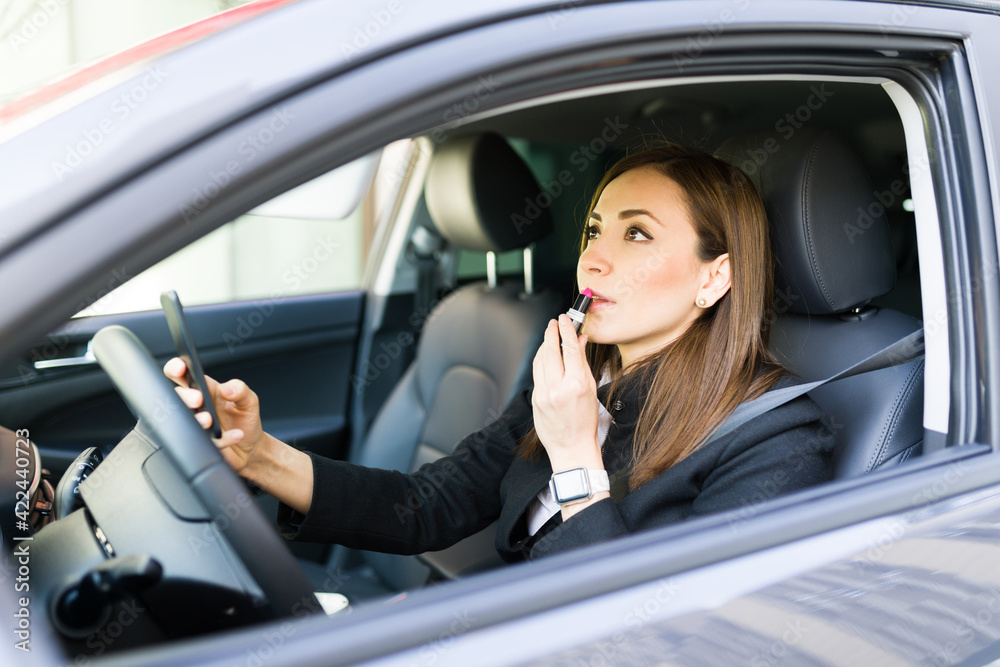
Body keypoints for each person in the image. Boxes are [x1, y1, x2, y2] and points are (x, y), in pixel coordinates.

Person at [165, 144, 834, 565]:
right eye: (595, 228)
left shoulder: (775, 439)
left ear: (713, 278)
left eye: (637, 234)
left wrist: (575, 457)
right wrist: (258, 453)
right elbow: (425, 506)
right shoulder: (583, 378)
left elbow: (661, 641)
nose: (594, 257)